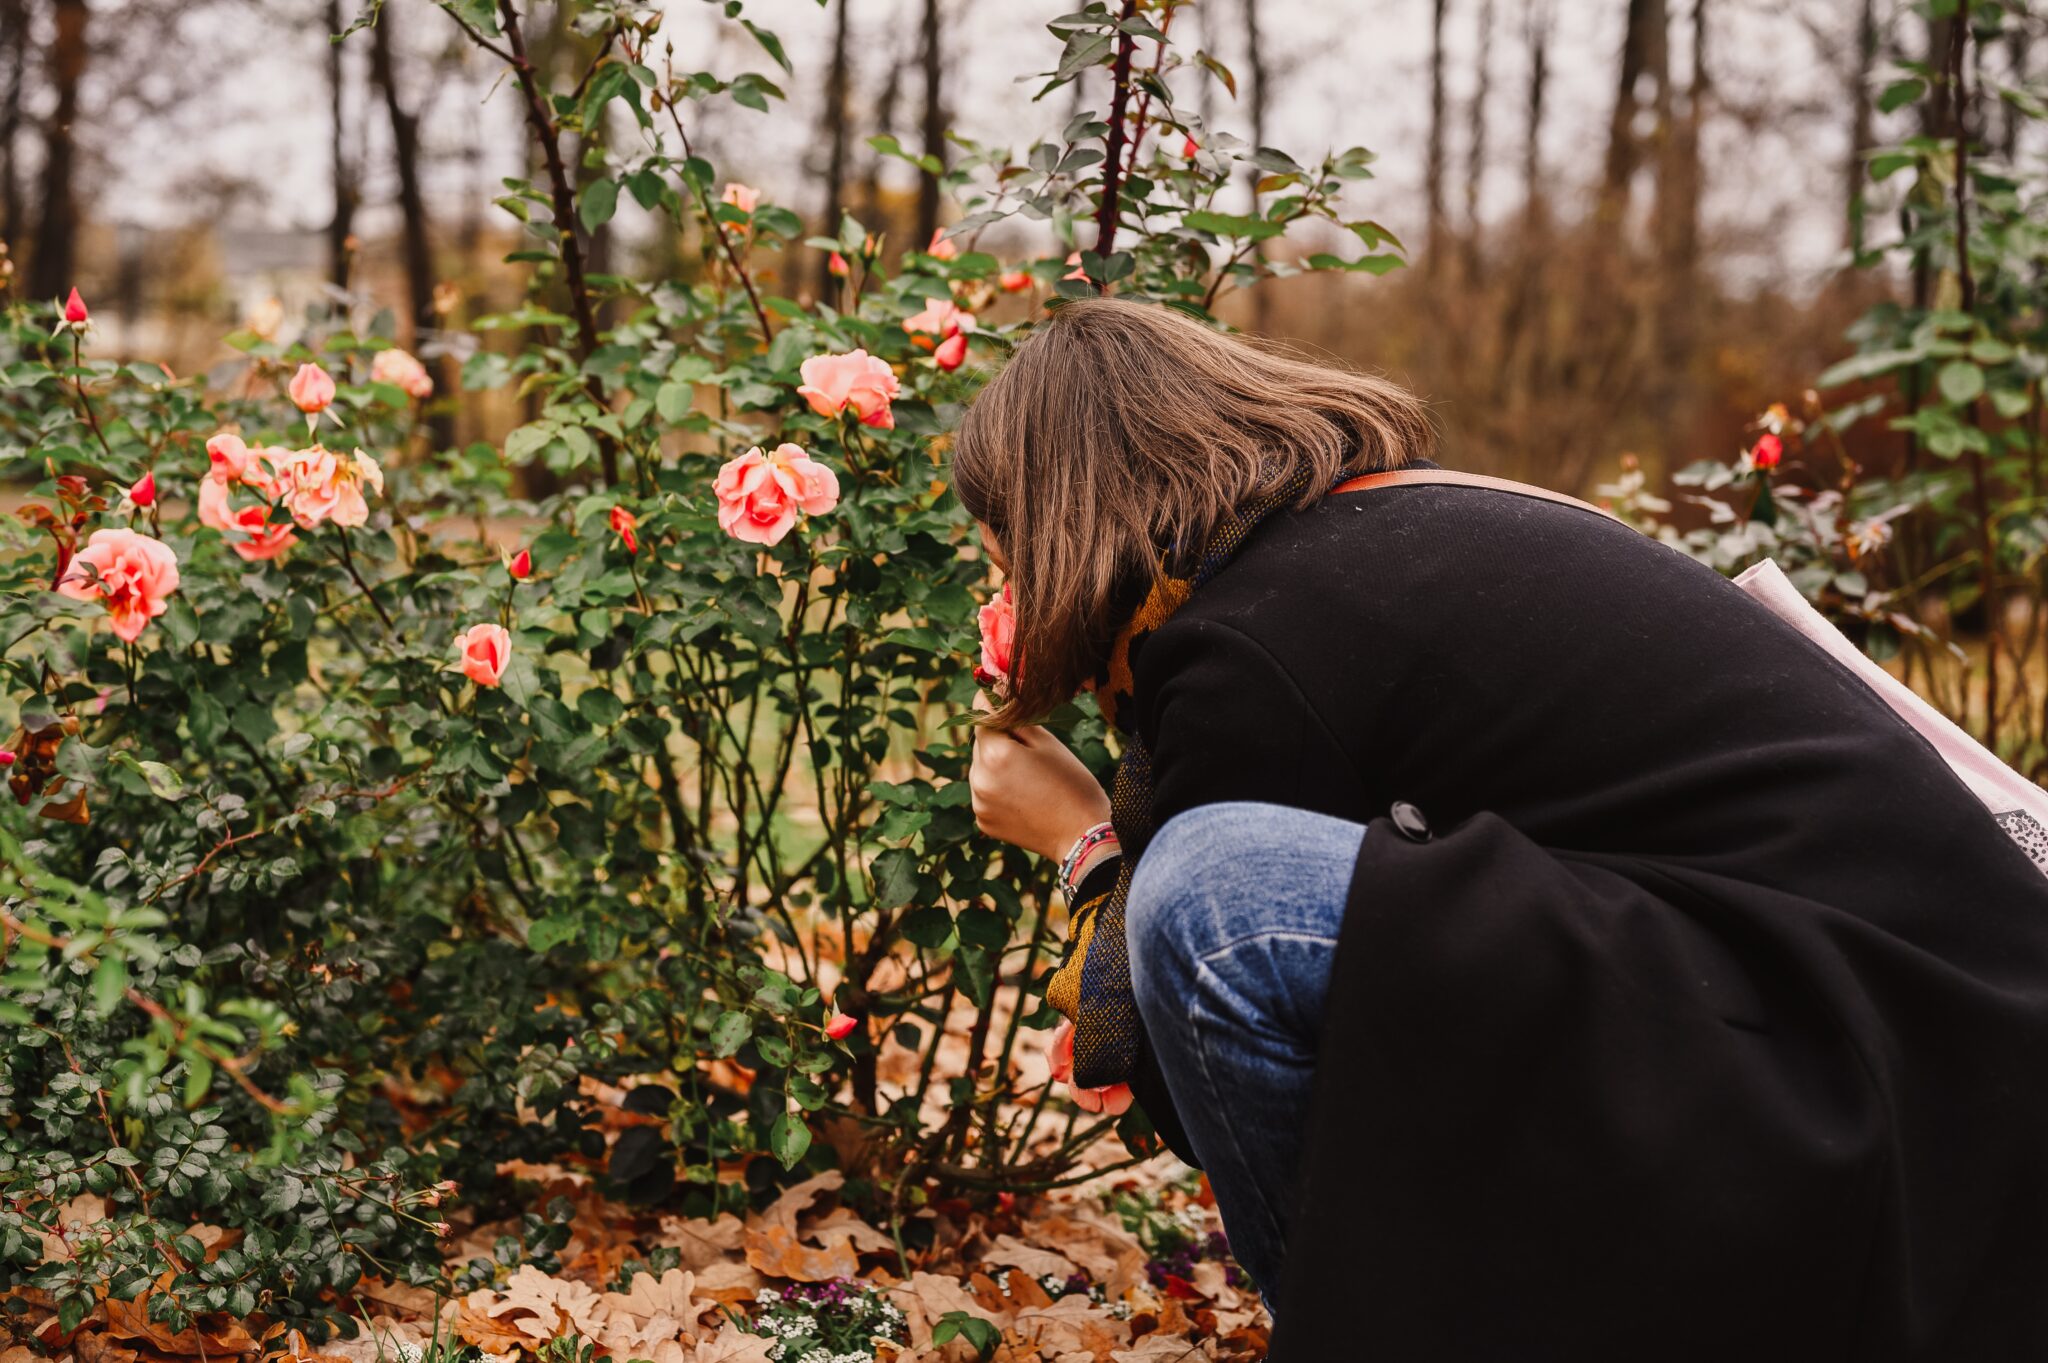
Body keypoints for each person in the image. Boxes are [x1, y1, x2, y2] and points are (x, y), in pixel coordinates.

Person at [956, 297, 2048, 1360]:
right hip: (1935, 1050)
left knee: (1207, 895)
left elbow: (1199, 1061)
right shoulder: (1382, 533)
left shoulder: (1248, 649)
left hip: (1849, 1076)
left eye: (1001, 558)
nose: (1001, 593)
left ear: (1064, 524)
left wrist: (1085, 845)